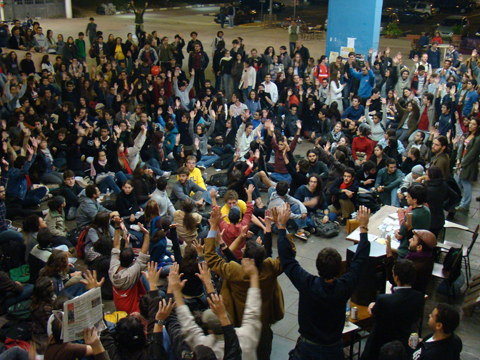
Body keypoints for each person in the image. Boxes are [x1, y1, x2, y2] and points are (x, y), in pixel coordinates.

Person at [277, 204, 371, 359]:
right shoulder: (344, 286)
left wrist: (281, 226)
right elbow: (360, 262)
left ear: (317, 266)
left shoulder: (307, 284)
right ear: (339, 269)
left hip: (308, 348)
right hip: (333, 349)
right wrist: (363, 228)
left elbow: (288, 261)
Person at [205, 206, 290, 360]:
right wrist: (282, 226)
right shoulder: (270, 267)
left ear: (245, 259)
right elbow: (289, 256)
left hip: (239, 323)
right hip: (263, 322)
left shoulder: (234, 270)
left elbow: (211, 258)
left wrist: (213, 226)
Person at [361, 259, 424, 360]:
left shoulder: (384, 299)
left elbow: (373, 312)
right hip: (403, 343)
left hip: (380, 343)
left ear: (396, 277)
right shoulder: (419, 297)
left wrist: (371, 305)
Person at [386, 229, 436, 294]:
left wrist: (389, 254)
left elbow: (394, 279)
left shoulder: (415, 266)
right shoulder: (427, 257)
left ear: (419, 247)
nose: (410, 240)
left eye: (413, 239)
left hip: (403, 299)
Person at [395, 184, 431, 259]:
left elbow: (400, 234)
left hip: (406, 250)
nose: (406, 198)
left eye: (408, 197)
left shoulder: (411, 215)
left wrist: (396, 231)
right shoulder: (426, 210)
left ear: (415, 200)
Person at [455, 117, 480, 212]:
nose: (471, 125)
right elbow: (461, 148)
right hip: (461, 160)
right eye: (470, 123)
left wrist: (462, 164)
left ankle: (465, 204)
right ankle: (458, 200)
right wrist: (458, 159)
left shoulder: (477, 139)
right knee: (457, 180)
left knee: (466, 182)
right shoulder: (467, 135)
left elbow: (472, 154)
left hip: (468, 164)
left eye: (474, 124)